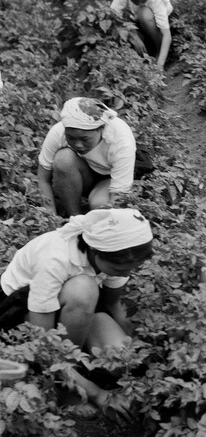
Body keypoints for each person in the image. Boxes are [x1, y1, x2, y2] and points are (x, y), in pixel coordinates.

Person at [0, 208, 153, 417]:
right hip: (23, 316)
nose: (126, 274)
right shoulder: (54, 258)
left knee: (122, 359)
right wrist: (96, 392)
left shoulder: (116, 253)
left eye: (132, 269)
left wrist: (148, 360)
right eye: (119, 270)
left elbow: (115, 306)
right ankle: (63, 389)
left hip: (73, 308)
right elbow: (42, 341)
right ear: (96, 252)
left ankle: (74, 370)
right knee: (84, 289)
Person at [37, 97, 137, 218]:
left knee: (100, 205)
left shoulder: (121, 141)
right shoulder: (58, 132)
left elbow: (118, 197)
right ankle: (73, 216)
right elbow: (43, 179)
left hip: (109, 177)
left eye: (85, 139)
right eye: (71, 138)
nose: (78, 144)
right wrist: (49, 218)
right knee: (63, 159)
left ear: (101, 129)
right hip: (84, 172)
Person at [110, 0, 173, 70]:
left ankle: (159, 52)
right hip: (138, 22)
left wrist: (160, 65)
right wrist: (133, 35)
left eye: (143, 1)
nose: (139, 3)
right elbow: (115, 13)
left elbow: (166, 34)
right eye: (135, 0)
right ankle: (148, 52)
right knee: (125, 38)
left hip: (158, 26)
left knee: (143, 12)